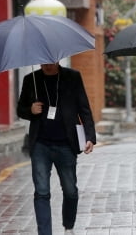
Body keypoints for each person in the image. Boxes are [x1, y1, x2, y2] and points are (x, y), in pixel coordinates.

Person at [17, 63, 96, 235]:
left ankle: (68, 226)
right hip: (40, 144)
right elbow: (20, 109)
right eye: (42, 61)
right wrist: (30, 110)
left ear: (57, 58)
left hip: (66, 143)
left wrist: (89, 137)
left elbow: (84, 108)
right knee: (41, 191)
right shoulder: (31, 79)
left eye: (49, 60)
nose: (46, 64)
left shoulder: (72, 77)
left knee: (70, 190)